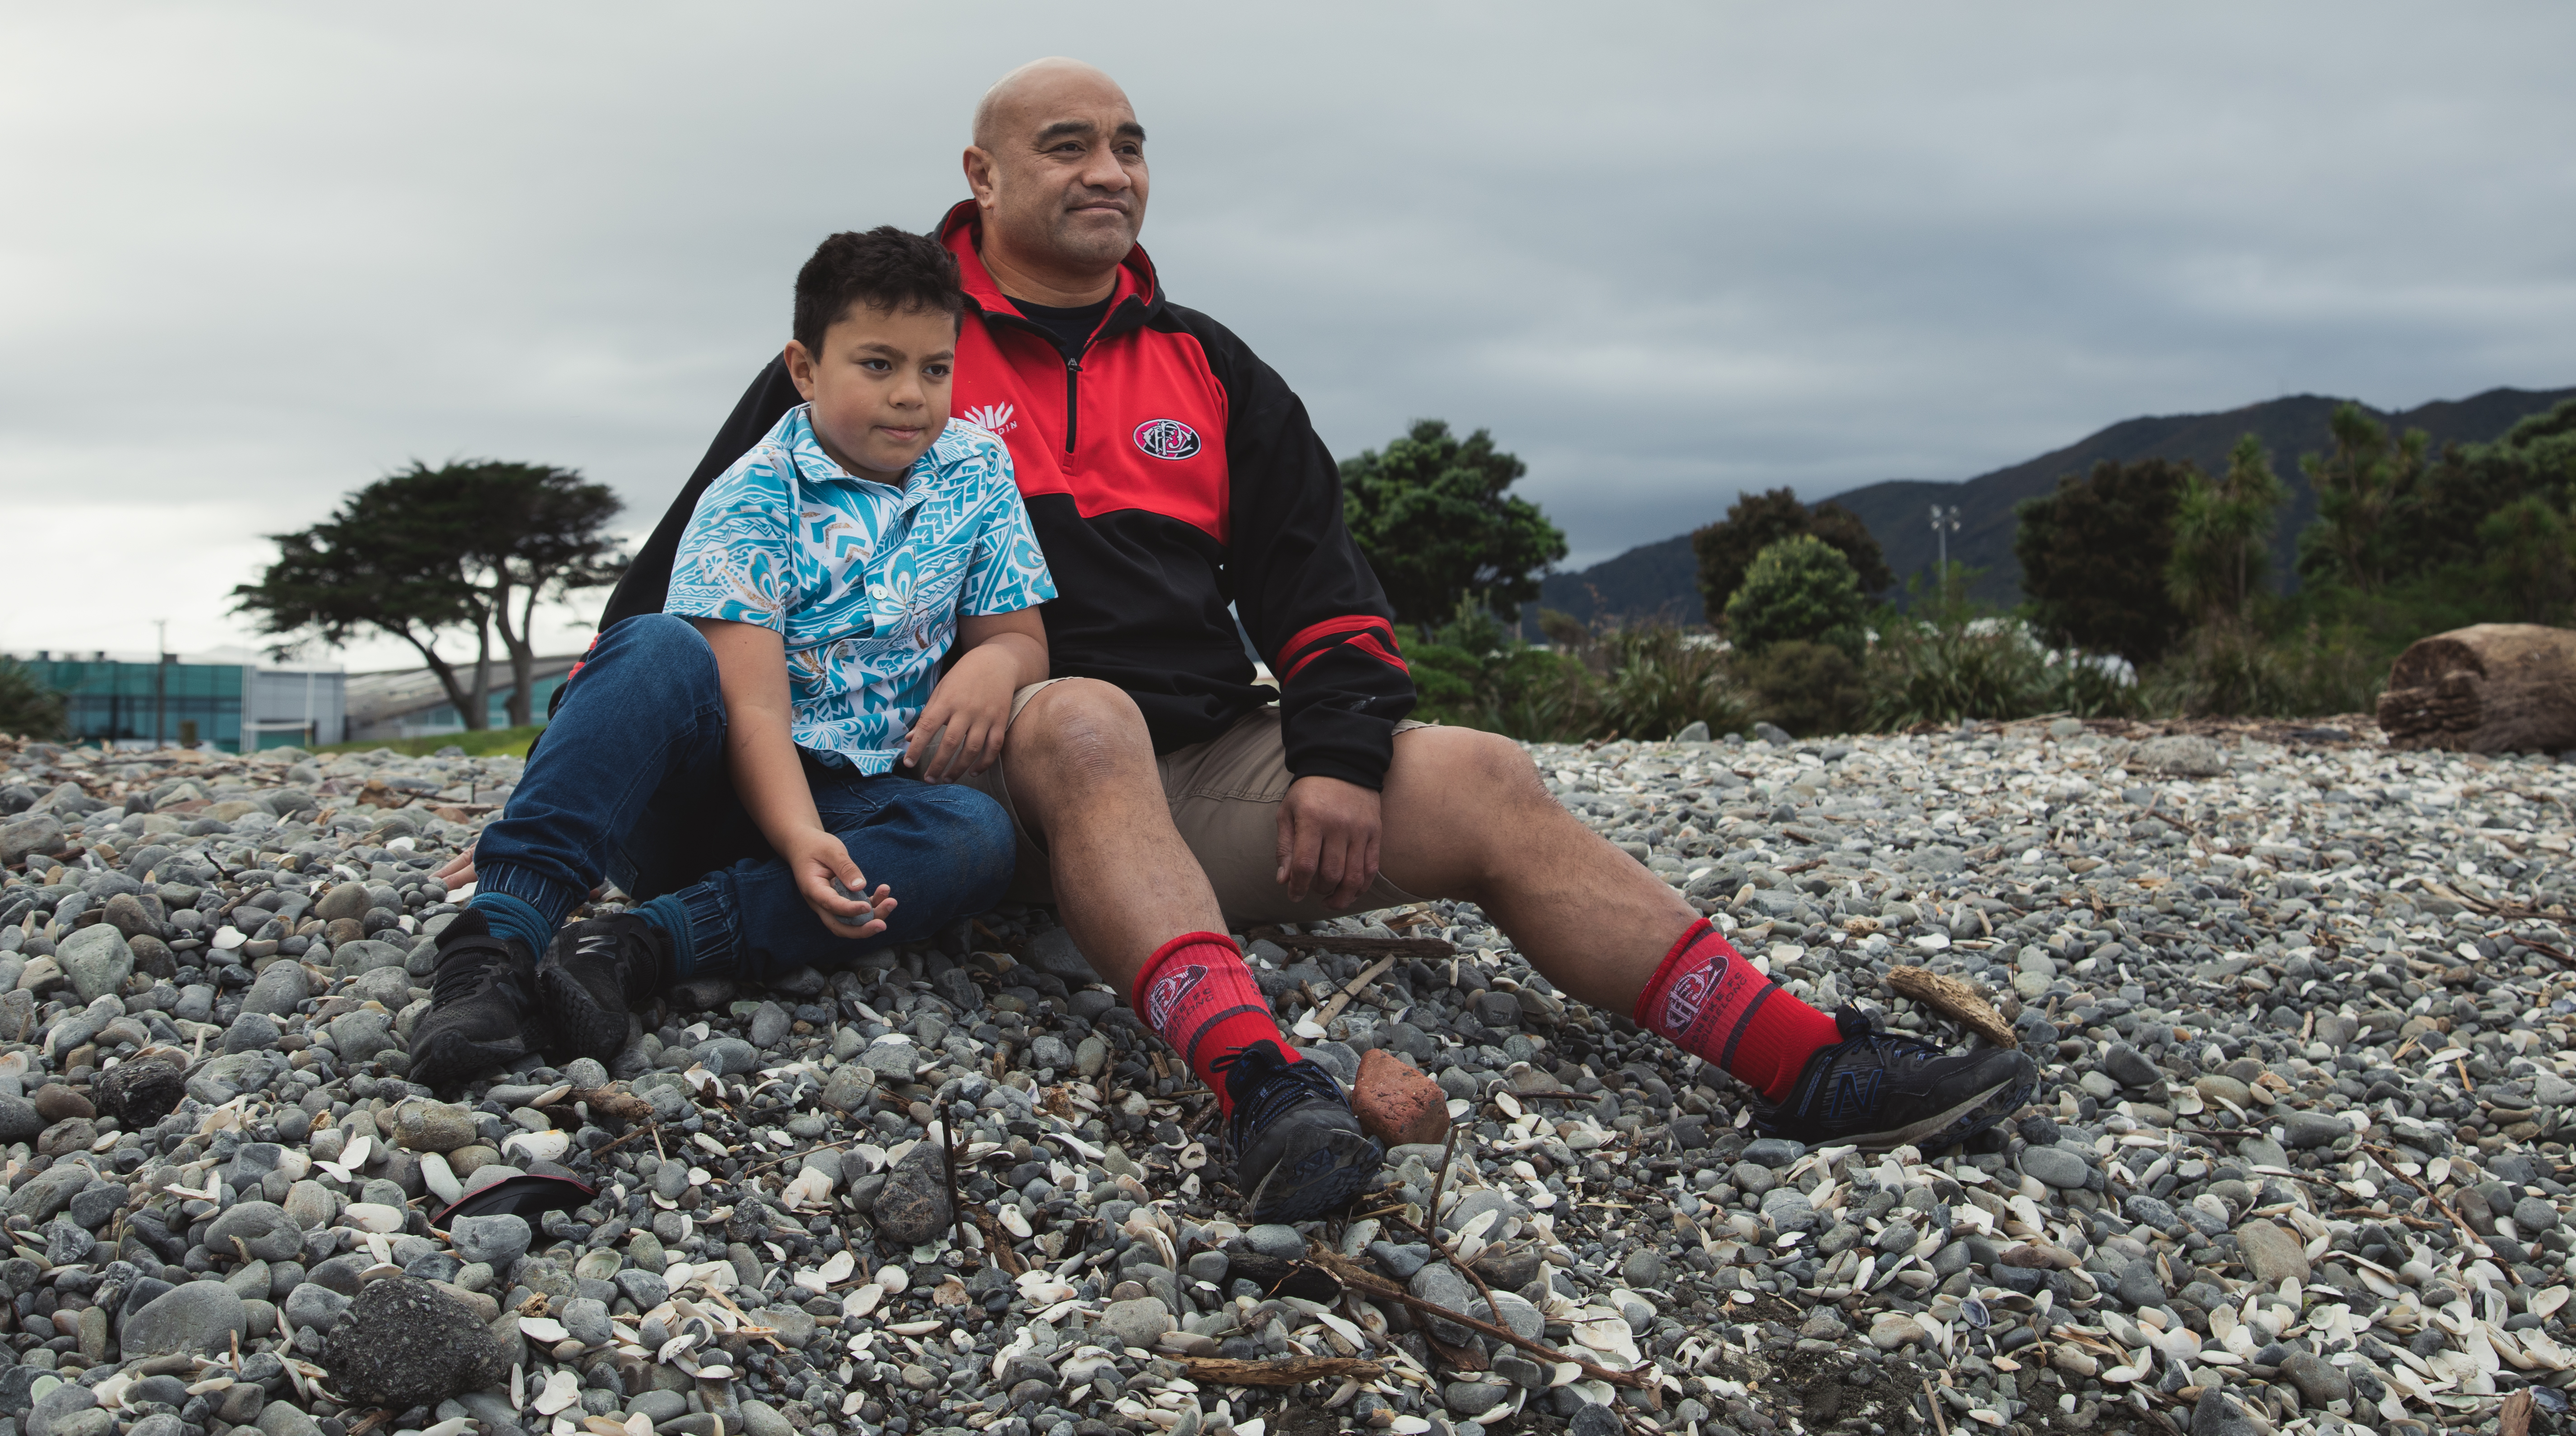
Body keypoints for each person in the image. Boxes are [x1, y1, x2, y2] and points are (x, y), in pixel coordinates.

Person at [592, 60, 2034, 1220]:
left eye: (1131, 144)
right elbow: (688, 581)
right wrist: (596, 805)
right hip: (963, 787)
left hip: (1193, 770)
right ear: (981, 175)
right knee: (1080, 708)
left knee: (1480, 771)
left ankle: (1794, 1056)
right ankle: (1262, 1085)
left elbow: (1323, 593)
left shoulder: (1211, 366)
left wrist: (1340, 753)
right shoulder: (893, 352)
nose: (1111, 171)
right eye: (1067, 144)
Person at [410, 227, 1053, 1093]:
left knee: (974, 836)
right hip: (706, 792)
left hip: (858, 790)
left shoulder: (974, 470)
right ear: (804, 368)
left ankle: (639, 946)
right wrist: (797, 838)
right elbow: (752, 711)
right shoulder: (749, 496)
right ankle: (494, 946)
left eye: (934, 368)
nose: (911, 396)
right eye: (876, 365)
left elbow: (1019, 635)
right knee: (656, 645)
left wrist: (997, 662)